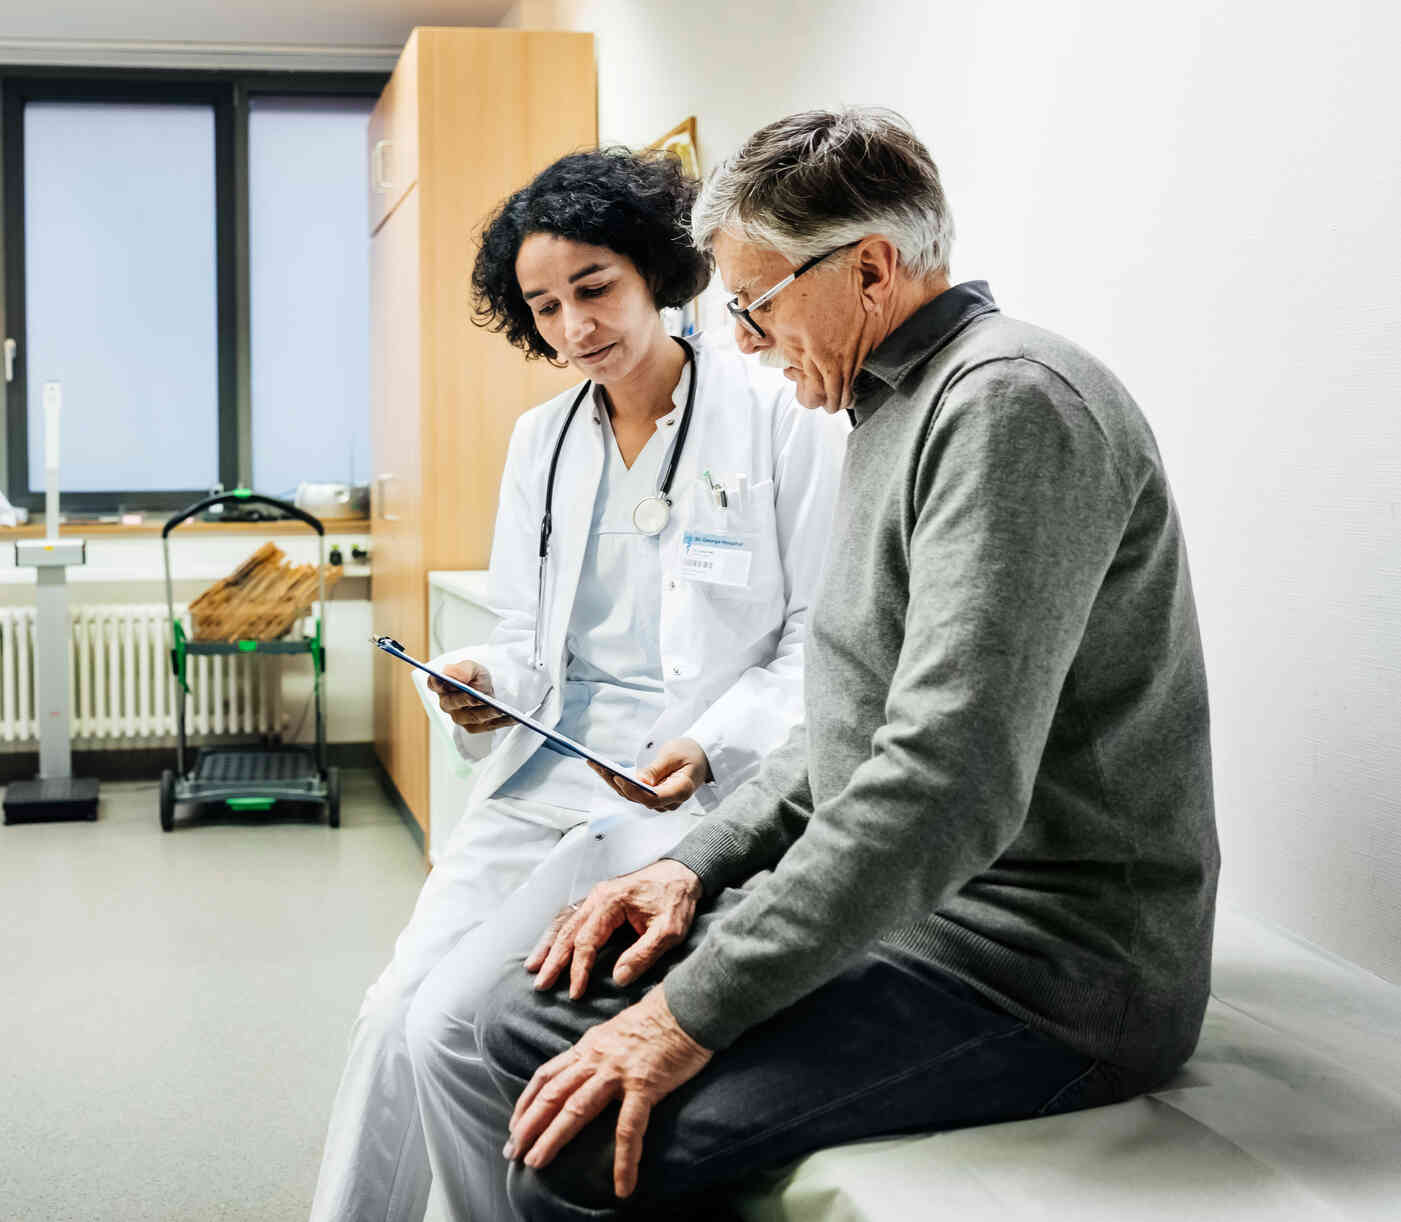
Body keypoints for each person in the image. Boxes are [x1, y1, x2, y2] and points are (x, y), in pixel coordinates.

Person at [473, 108, 1220, 1220]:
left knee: (570, 1154)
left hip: (1044, 968)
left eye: (756, 304)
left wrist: (684, 1018)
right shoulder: (893, 408)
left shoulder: (1011, 408)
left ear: (870, 269)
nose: (740, 341)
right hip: (933, 913)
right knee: (519, 1015)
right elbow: (846, 718)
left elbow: (944, 782)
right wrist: (697, 867)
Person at [310, 148, 844, 1222]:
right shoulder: (541, 442)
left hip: (676, 795)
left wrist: (712, 744)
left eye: (593, 288)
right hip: (548, 768)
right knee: (389, 1013)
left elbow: (815, 643)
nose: (572, 328)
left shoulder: (777, 416)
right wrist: (478, 679)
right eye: (543, 307)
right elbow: (526, 634)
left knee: (445, 1026)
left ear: (655, 270)